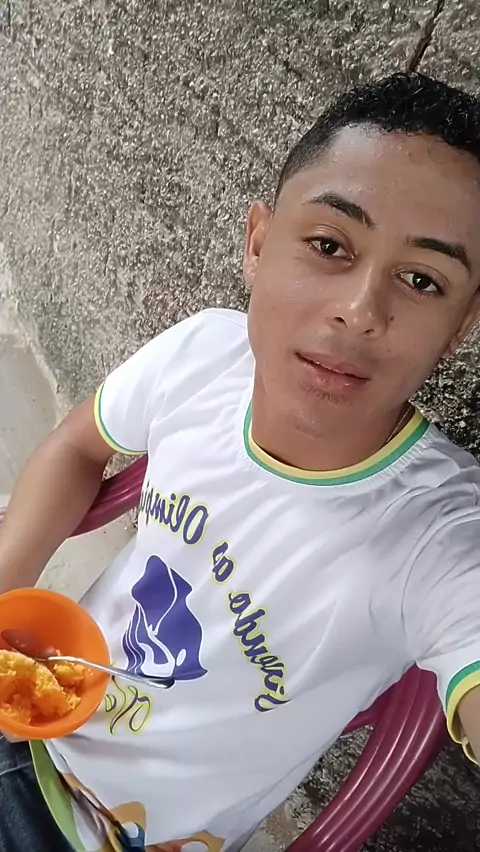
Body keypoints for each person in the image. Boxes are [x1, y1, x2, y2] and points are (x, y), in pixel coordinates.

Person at [1, 70, 480, 852]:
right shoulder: (205, 355)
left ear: (460, 325)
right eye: (330, 245)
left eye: (423, 280)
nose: (359, 311)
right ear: (259, 244)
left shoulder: (438, 535)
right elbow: (81, 445)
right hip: (34, 707)